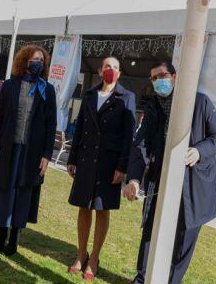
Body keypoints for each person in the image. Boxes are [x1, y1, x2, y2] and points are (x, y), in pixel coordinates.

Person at [123, 61, 216, 284]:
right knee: (151, 233)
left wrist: (199, 152)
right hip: (160, 182)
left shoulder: (200, 102)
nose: (158, 81)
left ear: (175, 76)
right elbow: (141, 145)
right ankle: (142, 279)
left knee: (183, 239)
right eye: (154, 78)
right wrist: (133, 179)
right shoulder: (153, 107)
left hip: (193, 185)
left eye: (162, 75)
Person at [0, 45, 57, 256]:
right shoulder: (10, 86)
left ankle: (14, 238)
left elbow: (51, 125)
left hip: (31, 154)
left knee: (23, 195)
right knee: (4, 192)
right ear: (24, 61)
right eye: (34, 59)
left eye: (41, 61)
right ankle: (0, 235)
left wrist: (46, 155)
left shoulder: (47, 89)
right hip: (8, 149)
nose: (38, 63)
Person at [66, 57, 136, 280]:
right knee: (83, 207)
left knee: (101, 209)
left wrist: (122, 166)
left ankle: (94, 258)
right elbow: (79, 129)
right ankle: (81, 254)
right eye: (107, 66)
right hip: (86, 158)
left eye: (115, 67)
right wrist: (72, 157)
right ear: (99, 70)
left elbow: (129, 136)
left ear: (120, 73)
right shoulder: (89, 95)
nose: (111, 70)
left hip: (109, 162)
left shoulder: (127, 97)